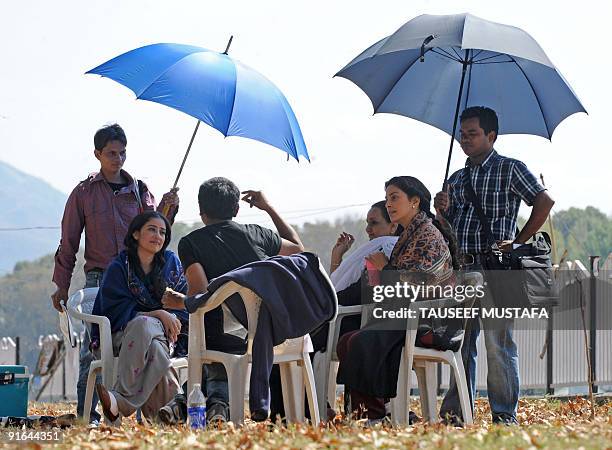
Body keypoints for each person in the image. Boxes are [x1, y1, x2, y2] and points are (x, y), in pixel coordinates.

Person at [50, 123, 179, 424]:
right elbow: (68, 242)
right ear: (97, 154)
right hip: (101, 279)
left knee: (151, 339)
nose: (118, 159)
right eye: (111, 153)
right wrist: (61, 285)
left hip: (139, 278)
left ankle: (129, 405)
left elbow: (152, 226)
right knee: (93, 351)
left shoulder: (138, 191)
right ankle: (88, 416)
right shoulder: (83, 193)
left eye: (122, 153)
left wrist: (167, 208)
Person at [435, 106, 554, 425]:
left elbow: (543, 201)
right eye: (461, 134)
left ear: (491, 136)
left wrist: (518, 241)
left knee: (498, 345)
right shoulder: (457, 178)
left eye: (472, 134)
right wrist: (442, 210)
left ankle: (504, 415)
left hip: (497, 269)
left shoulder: (510, 168)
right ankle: (458, 413)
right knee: (459, 345)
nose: (464, 140)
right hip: (463, 269)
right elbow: (450, 228)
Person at [158, 177, 304, 424]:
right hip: (268, 333)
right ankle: (212, 406)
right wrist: (268, 207)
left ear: (201, 211)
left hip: (223, 336)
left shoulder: (191, 242)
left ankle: (196, 404)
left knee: (207, 332)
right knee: (220, 336)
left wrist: (179, 301)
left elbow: (201, 296)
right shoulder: (260, 234)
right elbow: (299, 250)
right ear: (236, 209)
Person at [336, 176, 459, 423]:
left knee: (361, 341)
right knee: (348, 340)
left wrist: (385, 269)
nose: (389, 204)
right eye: (387, 199)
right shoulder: (409, 235)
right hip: (404, 316)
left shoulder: (427, 234)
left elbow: (420, 284)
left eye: (395, 198)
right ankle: (374, 413)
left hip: (428, 321)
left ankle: (375, 415)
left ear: (414, 202)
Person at [92, 211, 188, 422]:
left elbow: (183, 303)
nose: (158, 236)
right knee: (146, 330)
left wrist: (165, 317)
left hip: (166, 336)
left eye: (162, 232)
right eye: (152, 230)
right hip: (121, 334)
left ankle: (120, 400)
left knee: (151, 335)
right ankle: (166, 422)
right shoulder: (119, 267)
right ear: (136, 234)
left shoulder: (171, 263)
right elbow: (112, 310)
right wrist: (158, 313)